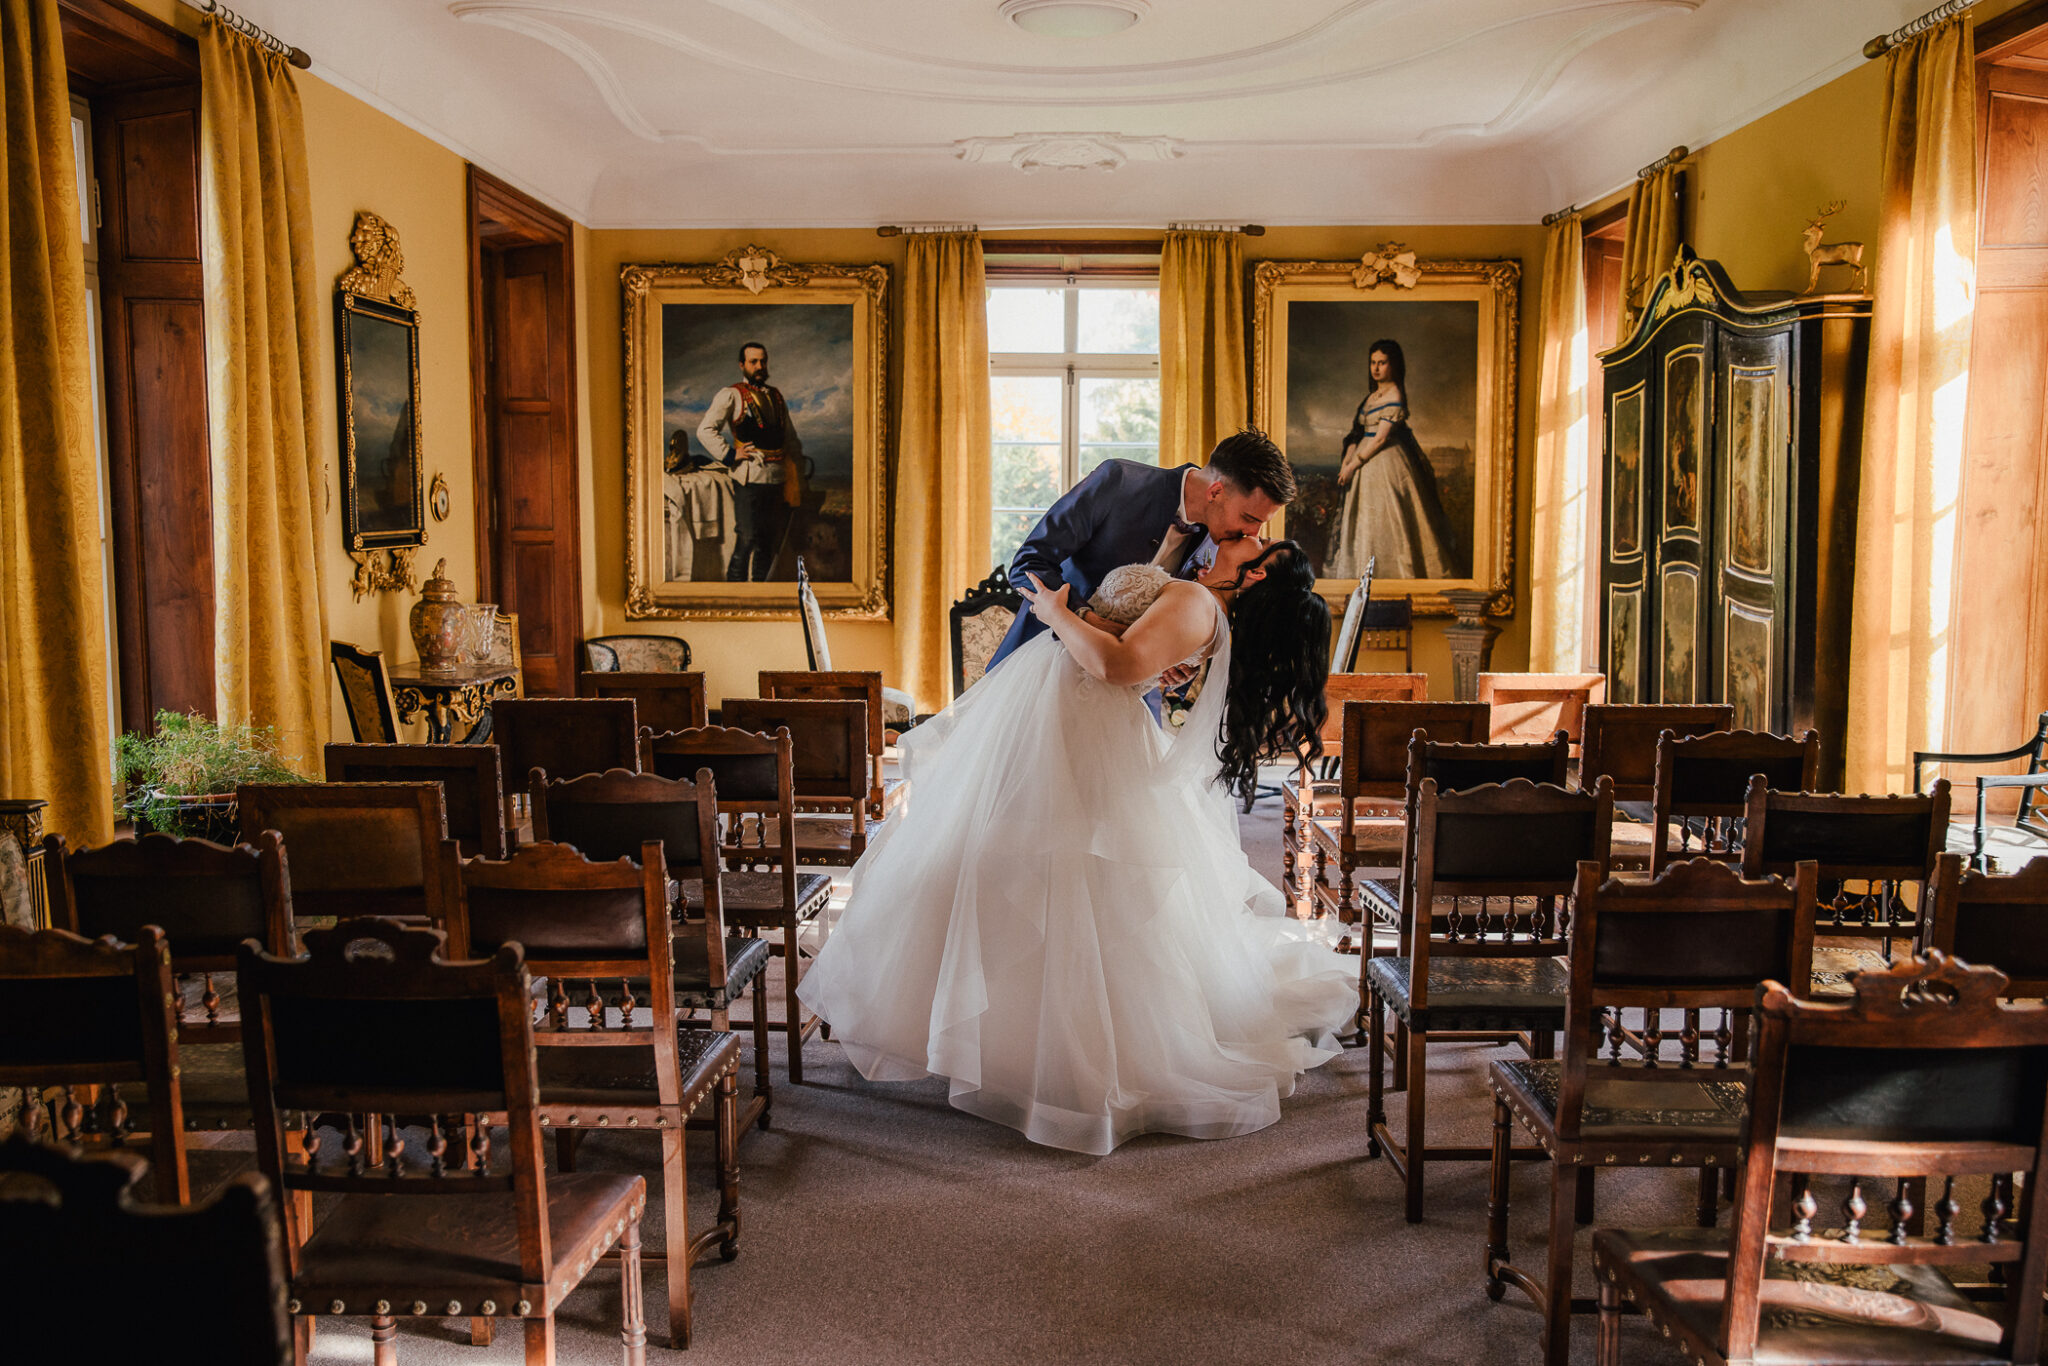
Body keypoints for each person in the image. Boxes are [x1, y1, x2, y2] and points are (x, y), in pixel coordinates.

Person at [797, 533, 1355, 1155]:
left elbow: (1115, 666)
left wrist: (1055, 614)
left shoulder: (1198, 602)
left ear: (1255, 576)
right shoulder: (1195, 592)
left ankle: (1055, 1050)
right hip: (1059, 713)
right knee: (1012, 859)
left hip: (1078, 725)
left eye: (1258, 542)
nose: (1250, 536)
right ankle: (1004, 1030)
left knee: (1055, 866)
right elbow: (1133, 655)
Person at [987, 427, 1296, 676]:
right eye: (1249, 518)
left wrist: (1176, 664)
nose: (1253, 533)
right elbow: (1029, 562)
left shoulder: (1223, 544)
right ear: (1215, 491)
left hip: (1123, 698)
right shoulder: (1119, 481)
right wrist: (1087, 618)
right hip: (1039, 667)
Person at [1325, 339, 1460, 580]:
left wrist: (1354, 464)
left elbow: (1379, 439)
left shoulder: (1394, 394)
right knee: (1363, 519)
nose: (1376, 368)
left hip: (1384, 461)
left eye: (1382, 363)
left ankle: (1393, 575)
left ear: (1393, 365)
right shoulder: (1371, 397)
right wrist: (1347, 460)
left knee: (1390, 517)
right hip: (1363, 462)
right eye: (1373, 363)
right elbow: (1357, 432)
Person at [697, 341, 803, 581]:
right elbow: (705, 430)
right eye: (753, 361)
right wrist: (730, 454)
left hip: (777, 479)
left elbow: (790, 437)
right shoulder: (731, 394)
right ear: (742, 365)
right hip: (749, 478)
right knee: (746, 539)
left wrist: (795, 474)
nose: (759, 366)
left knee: (767, 542)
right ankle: (736, 594)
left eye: (763, 361)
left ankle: (760, 592)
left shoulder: (776, 396)